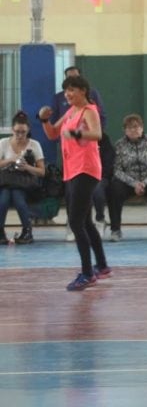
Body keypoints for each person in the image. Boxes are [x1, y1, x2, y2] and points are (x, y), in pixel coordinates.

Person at [39, 75, 111, 291]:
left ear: (83, 91)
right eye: (66, 91)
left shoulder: (89, 110)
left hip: (86, 169)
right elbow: (52, 134)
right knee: (85, 222)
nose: (68, 94)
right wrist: (44, 120)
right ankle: (102, 266)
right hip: (71, 170)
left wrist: (78, 133)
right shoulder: (71, 111)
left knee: (76, 222)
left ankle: (88, 273)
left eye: (72, 90)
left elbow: (98, 134)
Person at [107, 114, 147, 241]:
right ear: (125, 130)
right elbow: (117, 169)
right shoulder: (119, 145)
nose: (133, 130)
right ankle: (115, 230)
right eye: (129, 128)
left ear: (142, 128)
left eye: (136, 127)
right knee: (114, 187)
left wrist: (144, 183)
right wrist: (134, 183)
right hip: (129, 182)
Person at [0, 111, 46, 245]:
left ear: (28, 130)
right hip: (6, 181)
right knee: (4, 200)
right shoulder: (3, 143)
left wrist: (27, 167)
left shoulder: (34, 145)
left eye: (23, 132)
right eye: (17, 132)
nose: (20, 135)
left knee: (18, 198)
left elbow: (42, 171)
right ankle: (1, 231)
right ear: (12, 130)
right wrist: (11, 160)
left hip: (25, 183)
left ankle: (27, 231)